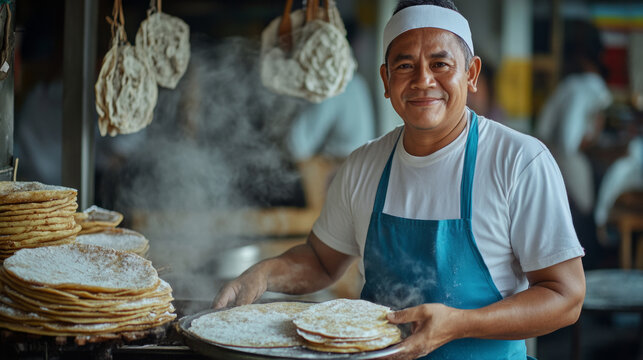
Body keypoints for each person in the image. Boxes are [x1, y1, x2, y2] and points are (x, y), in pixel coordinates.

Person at [214, 1, 585, 359]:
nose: (423, 80)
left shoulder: (518, 161)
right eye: (405, 65)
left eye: (440, 63)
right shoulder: (363, 165)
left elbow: (565, 297)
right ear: (386, 79)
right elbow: (320, 260)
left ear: (471, 74)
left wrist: (459, 324)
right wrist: (262, 275)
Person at [535, 20, 612, 215]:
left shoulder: (574, 85)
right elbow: (570, 141)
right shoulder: (585, 89)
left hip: (552, 153)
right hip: (561, 156)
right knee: (586, 214)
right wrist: (594, 133)